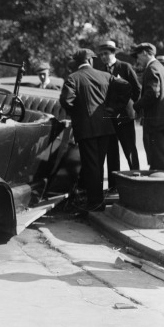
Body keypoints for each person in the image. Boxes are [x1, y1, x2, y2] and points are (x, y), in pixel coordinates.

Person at [60, 49, 120, 213]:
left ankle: (95, 203)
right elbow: (123, 91)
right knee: (98, 165)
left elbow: (66, 100)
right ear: (91, 60)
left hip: (86, 129)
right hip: (106, 127)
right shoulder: (106, 76)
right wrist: (111, 110)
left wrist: (78, 114)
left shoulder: (73, 78)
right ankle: (95, 200)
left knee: (92, 166)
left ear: (77, 62)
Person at [97, 40, 141, 190]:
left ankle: (137, 182)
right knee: (111, 153)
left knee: (129, 149)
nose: (103, 57)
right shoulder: (100, 70)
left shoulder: (125, 67)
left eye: (106, 53)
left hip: (124, 117)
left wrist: (129, 107)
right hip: (108, 119)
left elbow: (137, 90)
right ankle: (113, 186)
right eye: (101, 54)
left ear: (113, 53)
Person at [133, 43, 164, 172]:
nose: (137, 60)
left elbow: (153, 93)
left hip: (158, 124)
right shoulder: (162, 69)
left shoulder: (152, 68)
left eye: (137, 56)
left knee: (163, 163)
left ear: (145, 53)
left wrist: (136, 106)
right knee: (157, 164)